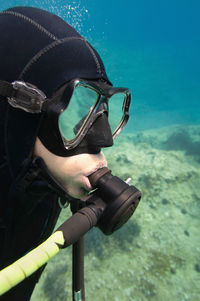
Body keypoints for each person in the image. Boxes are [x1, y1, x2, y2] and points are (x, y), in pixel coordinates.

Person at [0, 6, 131, 300]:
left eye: (101, 109)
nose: (103, 139)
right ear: (17, 116)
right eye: (72, 110)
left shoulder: (41, 185)